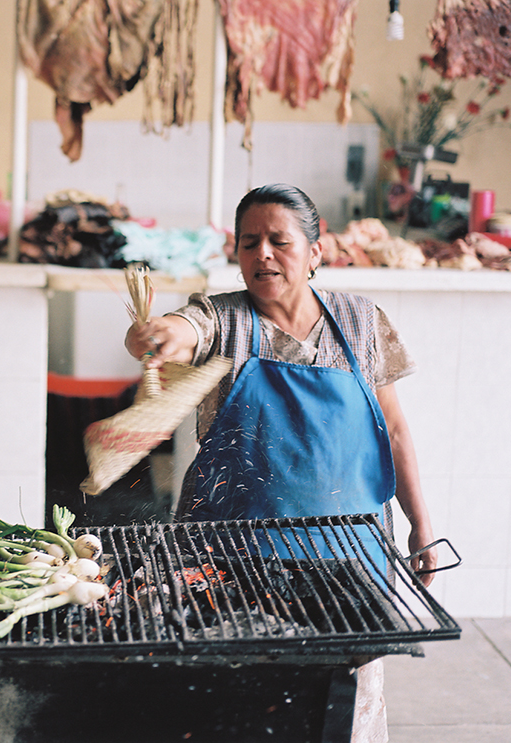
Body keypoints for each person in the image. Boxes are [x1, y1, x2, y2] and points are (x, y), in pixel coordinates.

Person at [126, 183, 438, 740]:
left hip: (351, 556)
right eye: (249, 243)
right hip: (232, 559)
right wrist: (156, 335)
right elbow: (181, 328)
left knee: (341, 709)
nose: (262, 254)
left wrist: (423, 527)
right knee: (238, 709)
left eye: (279, 240)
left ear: (315, 252)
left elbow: (394, 430)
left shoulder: (362, 323)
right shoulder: (223, 322)